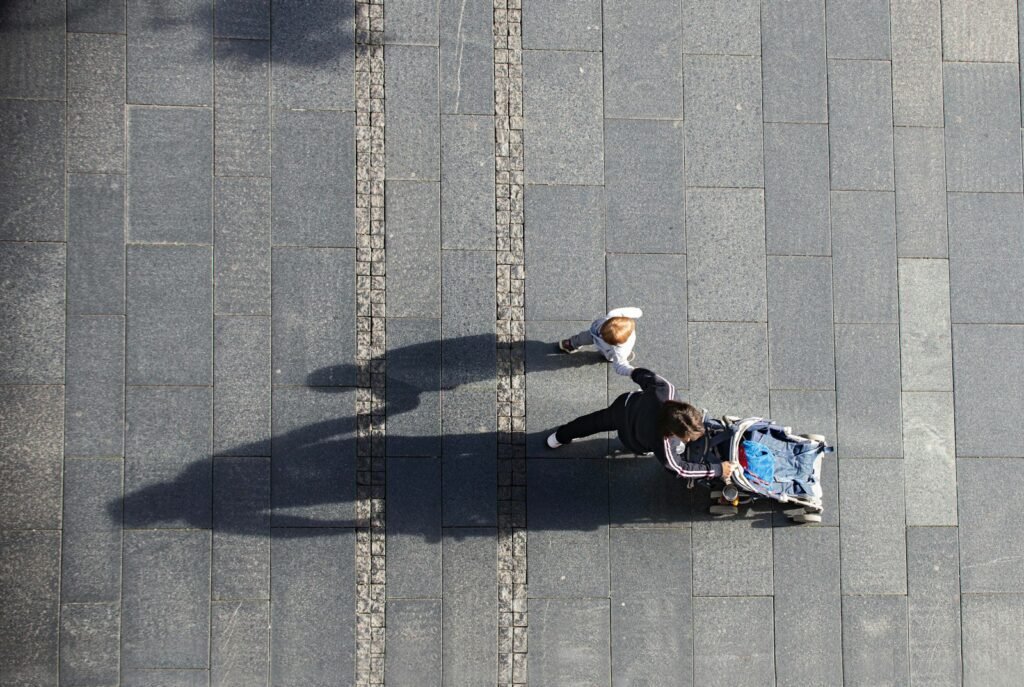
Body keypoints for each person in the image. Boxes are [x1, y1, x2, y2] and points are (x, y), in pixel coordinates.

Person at [546, 367, 732, 481]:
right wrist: (717, 470)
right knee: (599, 424)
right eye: (689, 437)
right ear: (673, 433)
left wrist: (628, 369)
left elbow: (644, 376)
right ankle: (559, 437)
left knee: (593, 422)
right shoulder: (665, 443)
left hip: (624, 407)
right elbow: (679, 469)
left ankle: (559, 436)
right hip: (632, 438)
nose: (693, 438)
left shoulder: (666, 390)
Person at [557, 306, 643, 376]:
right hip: (593, 333)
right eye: (602, 331)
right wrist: (638, 312)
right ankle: (573, 343)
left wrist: (632, 371)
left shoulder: (620, 350)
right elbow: (633, 311)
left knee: (611, 356)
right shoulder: (613, 314)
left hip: (608, 349)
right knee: (583, 337)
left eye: (605, 338)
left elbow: (620, 366)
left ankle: (610, 357)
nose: (602, 335)